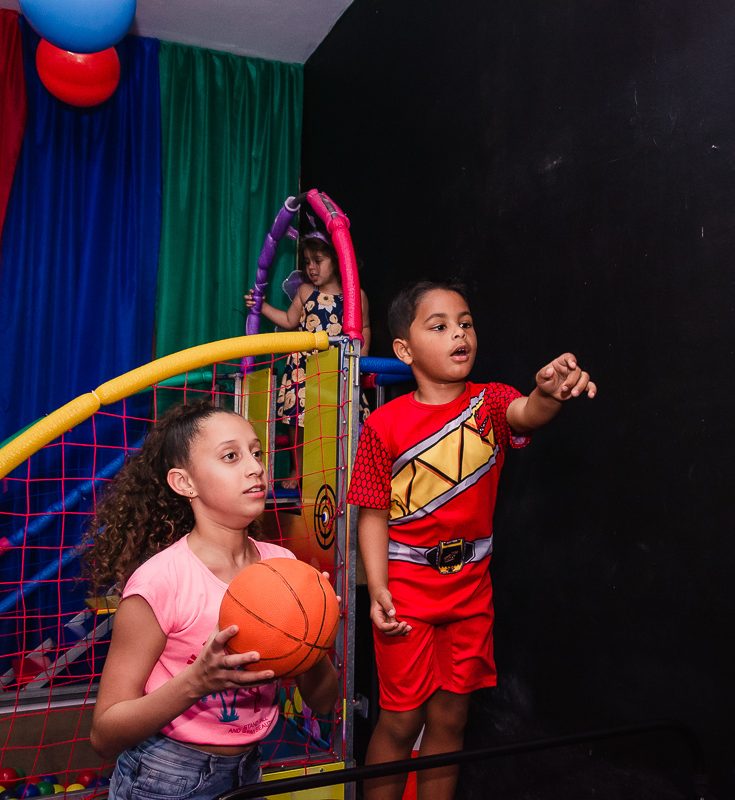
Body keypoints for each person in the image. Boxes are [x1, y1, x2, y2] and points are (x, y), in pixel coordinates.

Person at [346, 278, 597, 800]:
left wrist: (549, 393)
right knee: (398, 722)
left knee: (451, 719)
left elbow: (527, 413)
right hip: (406, 593)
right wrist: (378, 588)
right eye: (439, 326)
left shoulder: (491, 402)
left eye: (465, 323)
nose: (459, 334)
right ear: (403, 349)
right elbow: (370, 514)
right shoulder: (383, 425)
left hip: (470, 593)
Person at [87, 401, 339, 800]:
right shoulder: (159, 583)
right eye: (230, 456)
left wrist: (320, 635)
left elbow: (324, 701)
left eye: (256, 452)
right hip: (165, 775)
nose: (255, 466)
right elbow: (104, 735)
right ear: (185, 483)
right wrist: (195, 683)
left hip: (250, 769)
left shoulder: (284, 566)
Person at [245, 208, 371, 489]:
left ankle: (339, 471)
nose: (311, 267)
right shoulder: (304, 291)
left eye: (318, 260)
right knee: (296, 420)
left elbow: (364, 329)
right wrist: (261, 306)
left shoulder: (355, 296)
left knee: (338, 420)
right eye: (307, 262)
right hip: (302, 368)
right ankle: (297, 469)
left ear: (337, 261)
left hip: (338, 368)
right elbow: (290, 321)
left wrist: (360, 357)